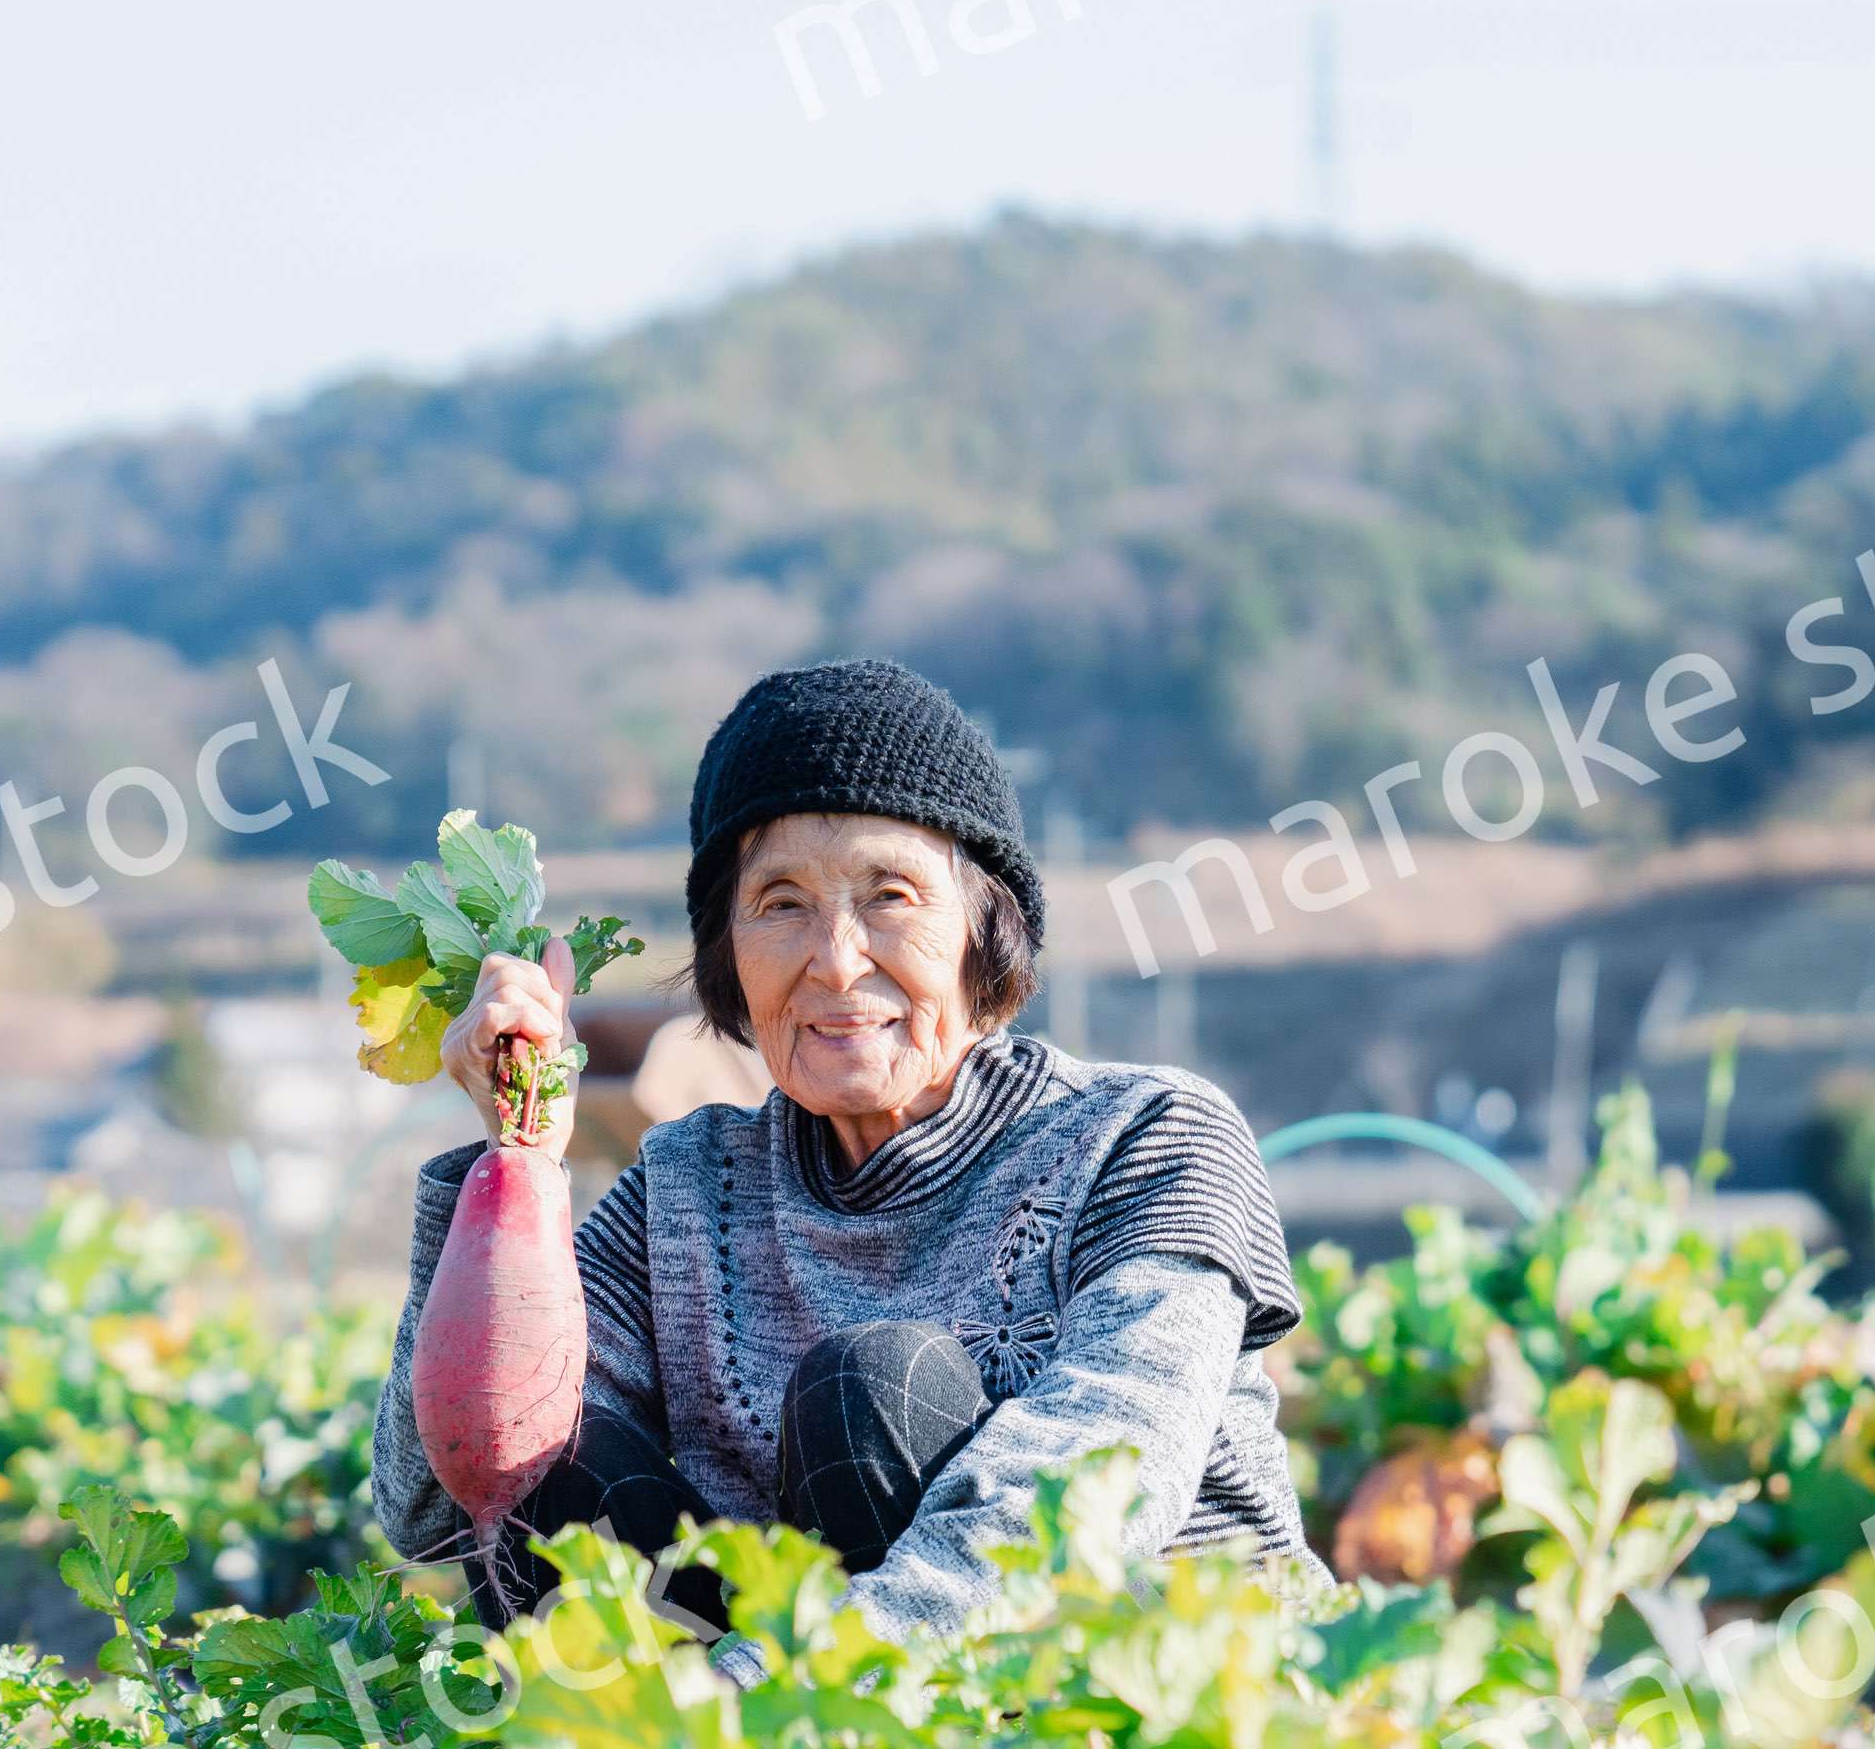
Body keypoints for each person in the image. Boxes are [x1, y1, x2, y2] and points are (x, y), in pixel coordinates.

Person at [369, 658, 1313, 1677]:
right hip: (786, 1731)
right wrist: (514, 1166)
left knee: (871, 1391)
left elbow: (1093, 1489)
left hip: (1151, 1711)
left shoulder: (1148, 1137)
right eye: (779, 903)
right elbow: (438, 1502)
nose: (835, 959)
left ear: (984, 931)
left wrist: (756, 1710)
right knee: (552, 1467)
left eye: (891, 895)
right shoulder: (686, 1188)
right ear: (727, 953)